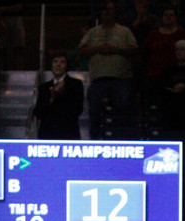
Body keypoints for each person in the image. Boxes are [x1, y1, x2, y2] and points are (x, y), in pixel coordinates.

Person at [79, 1, 138, 138]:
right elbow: (82, 50)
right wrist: (97, 49)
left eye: (110, 9)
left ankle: (122, 142)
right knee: (94, 113)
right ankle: (94, 141)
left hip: (120, 79)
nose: (107, 12)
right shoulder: (92, 32)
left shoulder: (124, 31)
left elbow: (134, 49)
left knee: (122, 114)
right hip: (98, 80)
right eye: (105, 9)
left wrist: (116, 50)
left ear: (115, 12)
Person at [33, 52, 83, 139]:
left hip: (68, 133)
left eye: (62, 62)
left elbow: (77, 109)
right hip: (47, 134)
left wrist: (62, 94)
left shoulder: (76, 84)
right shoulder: (44, 87)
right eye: (55, 62)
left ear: (67, 66)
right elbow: (38, 112)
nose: (58, 65)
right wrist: (51, 100)